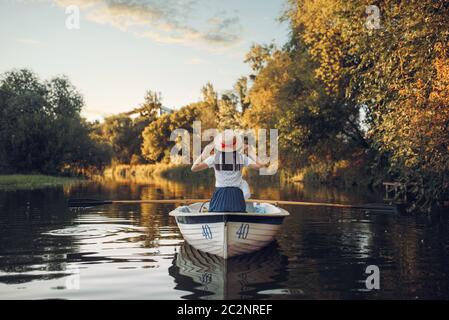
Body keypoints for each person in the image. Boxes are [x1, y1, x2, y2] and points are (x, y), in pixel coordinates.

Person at [191, 130, 264, 212]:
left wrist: (204, 153)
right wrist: (250, 151)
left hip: (220, 198)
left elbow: (194, 168)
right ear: (235, 145)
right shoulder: (242, 157)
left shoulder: (214, 158)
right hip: (237, 199)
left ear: (221, 145)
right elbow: (260, 165)